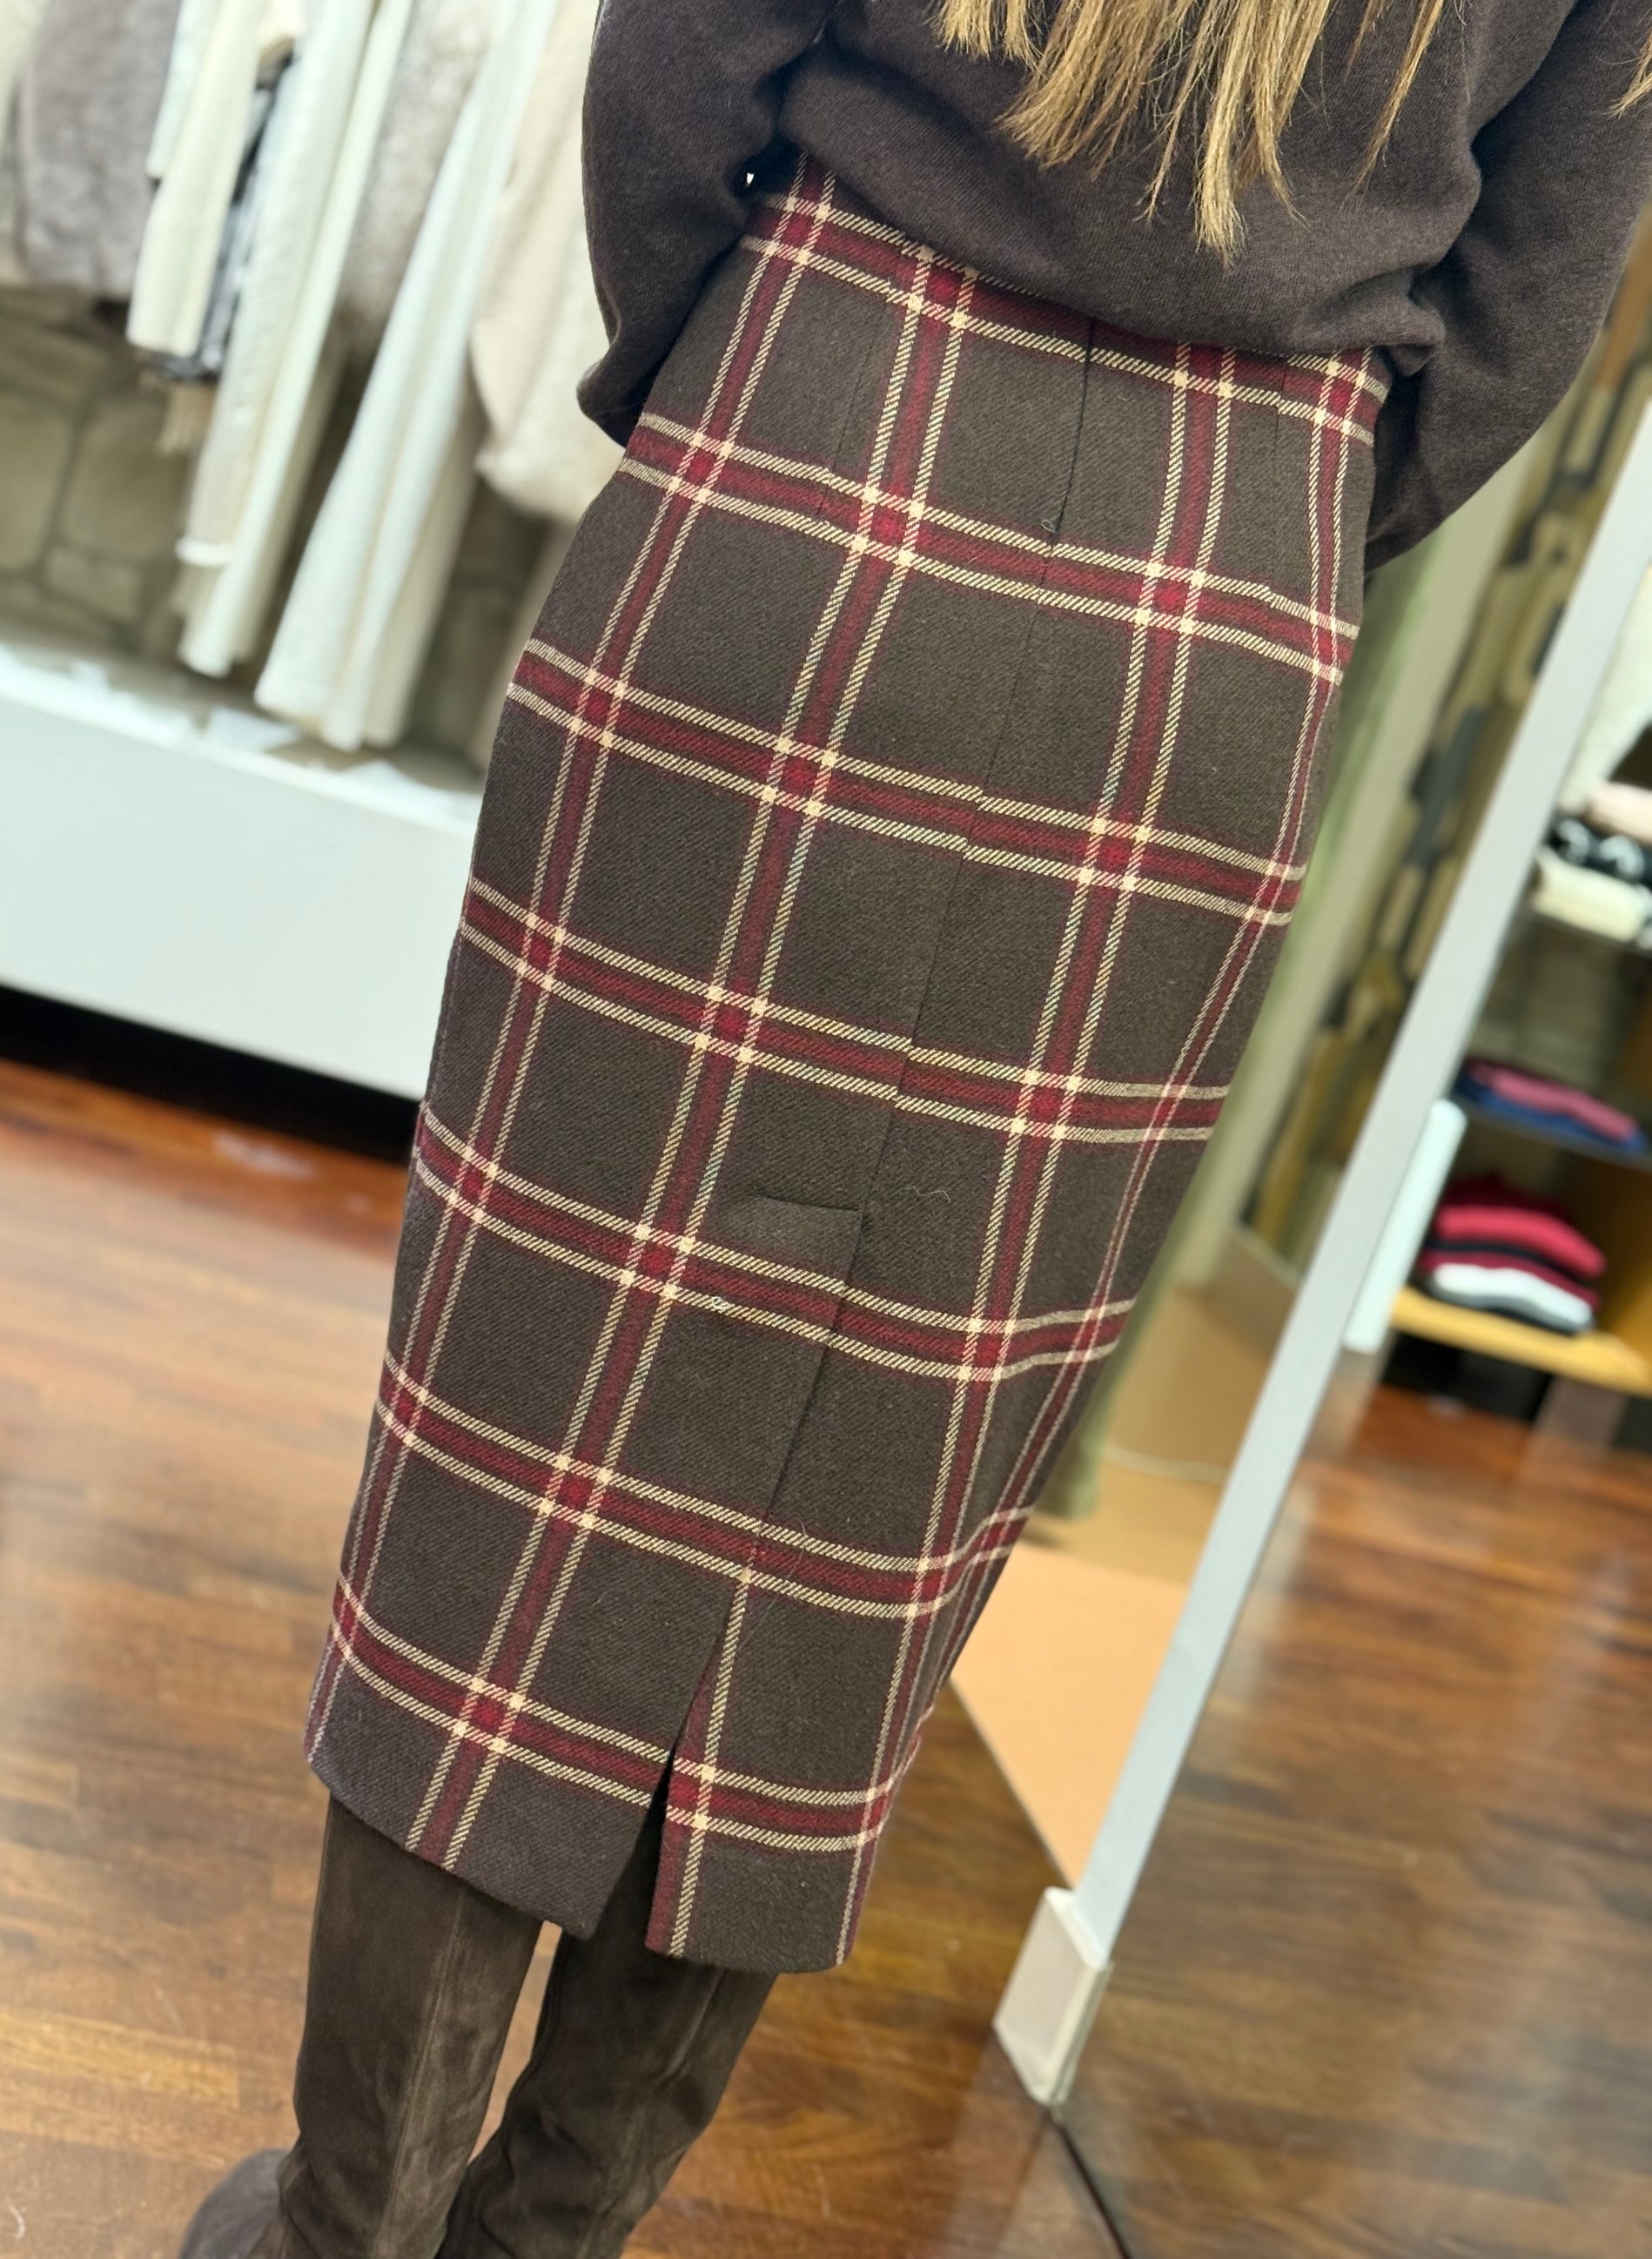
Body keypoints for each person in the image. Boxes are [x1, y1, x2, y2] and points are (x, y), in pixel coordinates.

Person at [182, 3, 1652, 2255]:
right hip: (1212, 599)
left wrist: (754, 372)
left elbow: (679, 72)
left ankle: (342, 2236)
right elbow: (1534, 284)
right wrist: (1259, 514)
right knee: (873, 1509)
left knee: (528, 1437)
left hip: (812, 436)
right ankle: (546, 2236)